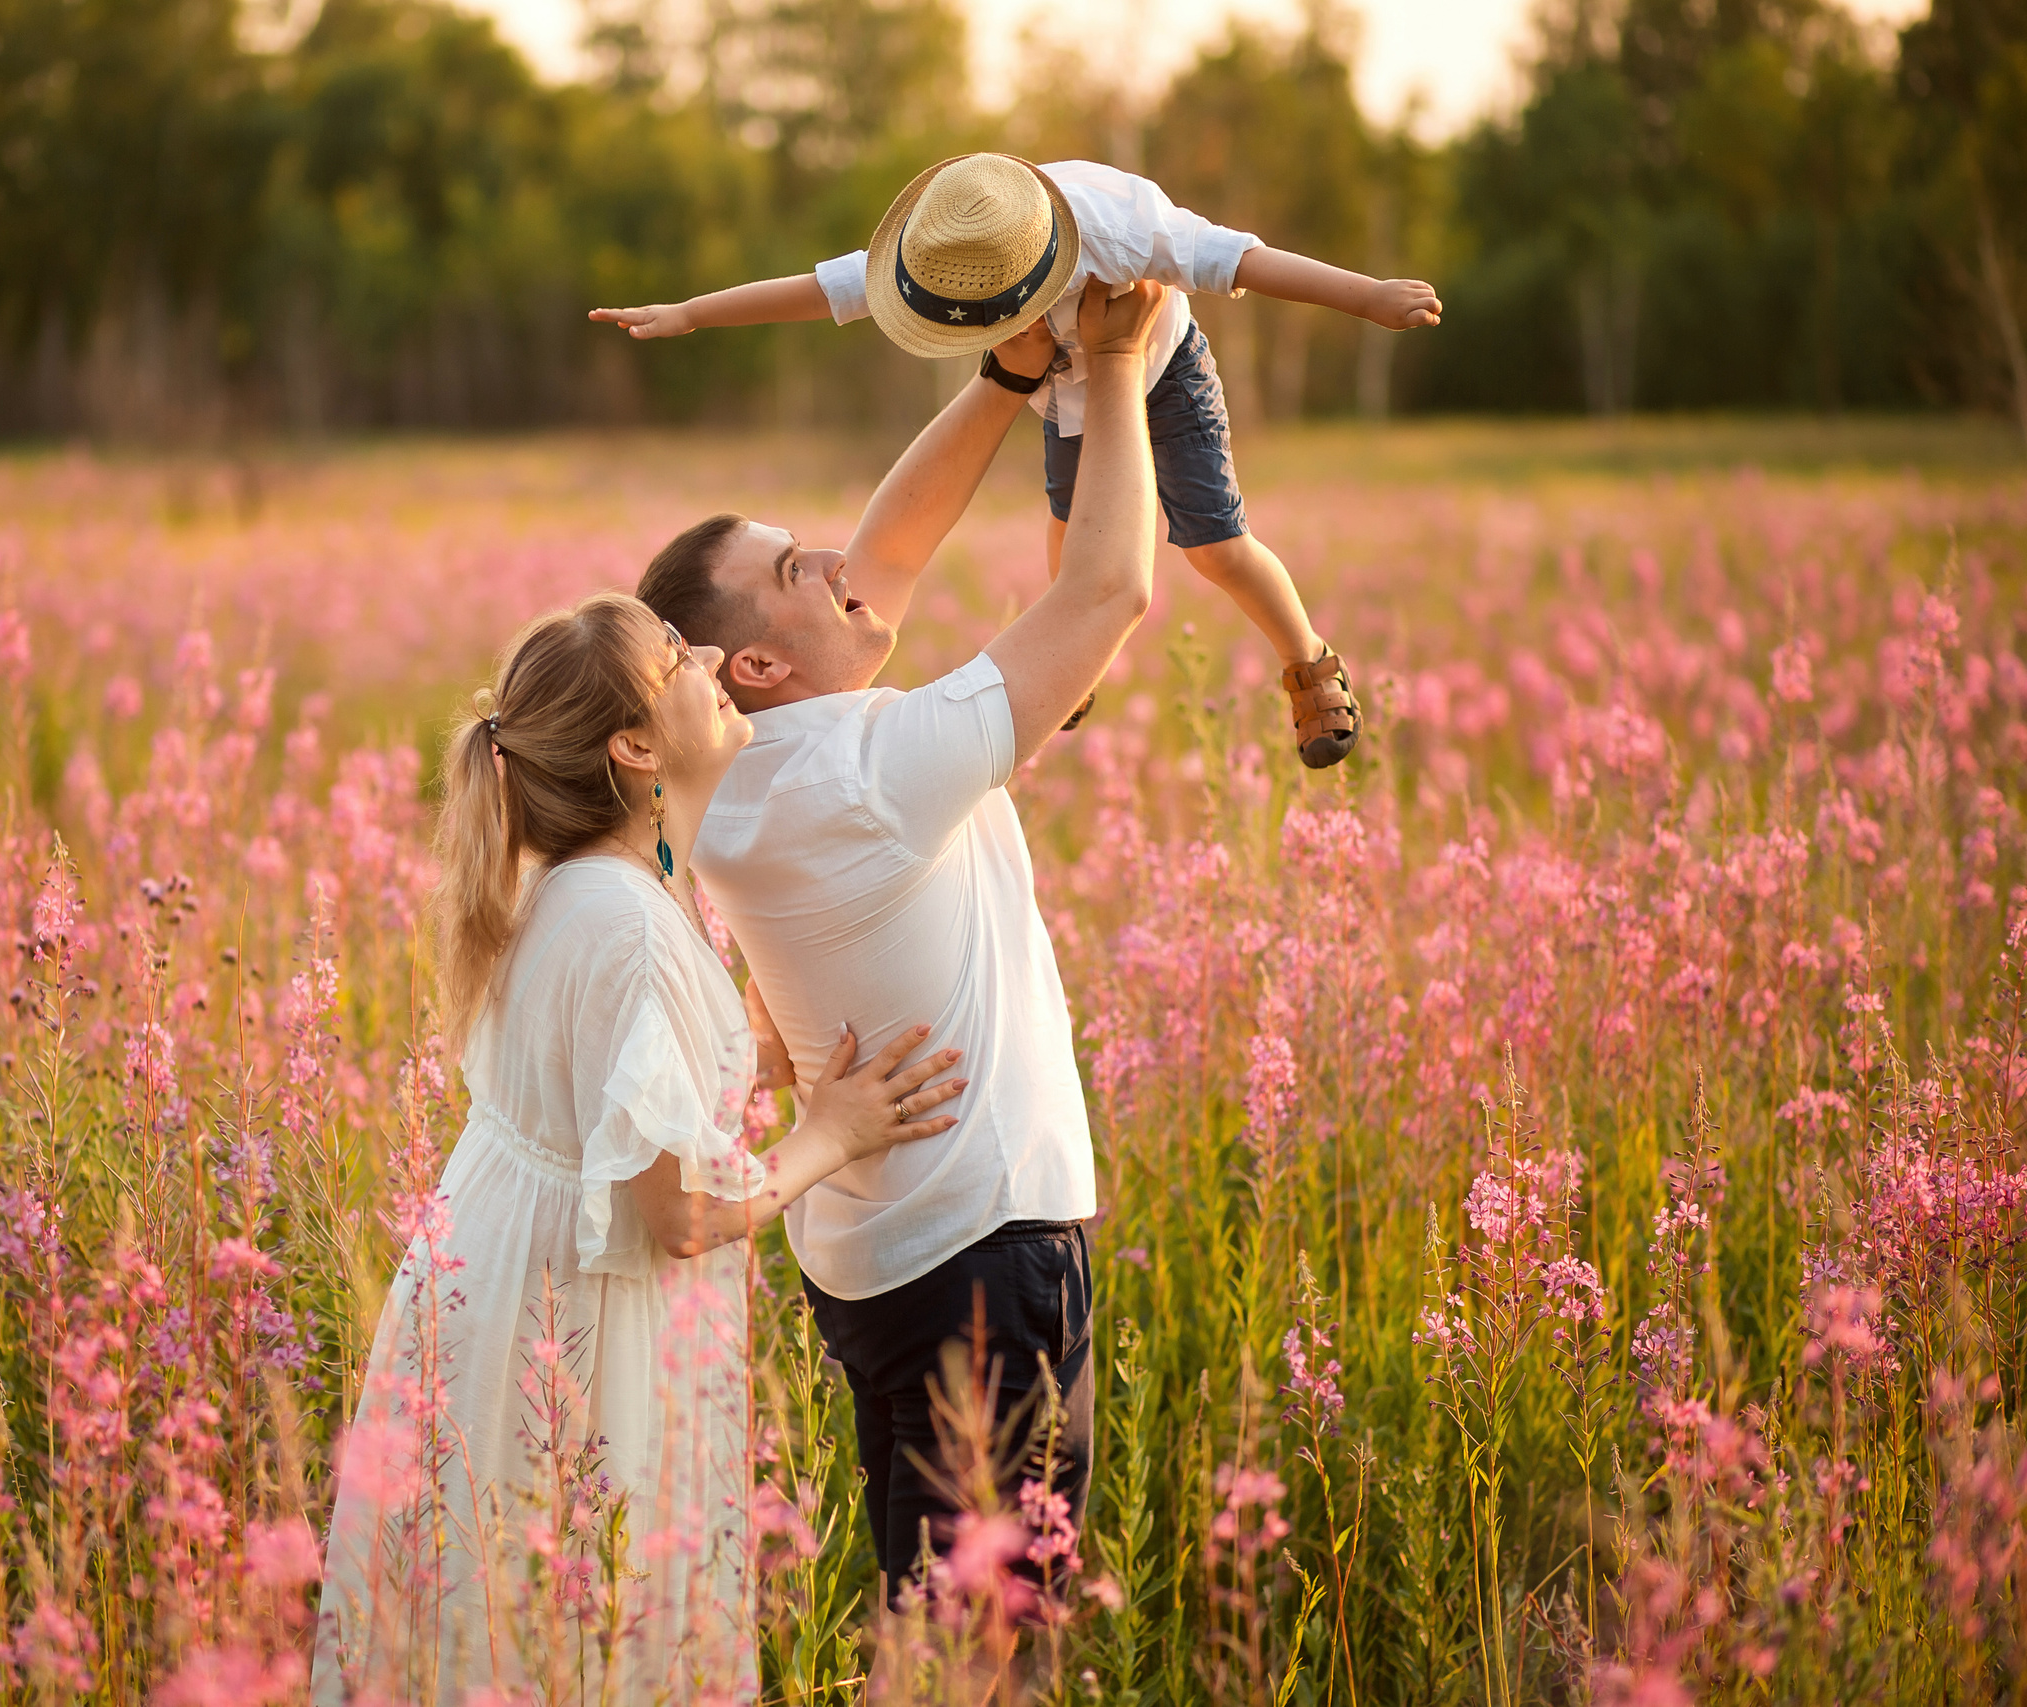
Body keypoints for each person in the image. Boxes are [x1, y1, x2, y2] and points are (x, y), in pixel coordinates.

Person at [310, 592, 968, 1706]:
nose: (709, 652)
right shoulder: (626, 922)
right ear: (635, 746)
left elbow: (604, 1091)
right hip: (575, 1323)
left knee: (499, 1631)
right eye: (676, 656)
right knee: (582, 1631)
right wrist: (829, 1135)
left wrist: (738, 1049)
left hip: (505, 1295)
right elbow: (681, 1215)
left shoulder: (580, 885)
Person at [632, 278, 1166, 1602]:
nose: (840, 563)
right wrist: (1110, 364)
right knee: (989, 1634)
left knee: (924, 1612)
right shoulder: (866, 776)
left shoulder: (740, 779)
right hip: (984, 1247)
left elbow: (887, 555)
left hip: (878, 1257)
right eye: (795, 571)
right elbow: (1109, 591)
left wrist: (1004, 377)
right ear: (759, 666)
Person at [597, 151, 1440, 765]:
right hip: (1067, 392)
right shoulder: (934, 255)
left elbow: (1242, 259)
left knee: (1216, 546)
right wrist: (691, 313)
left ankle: (1306, 657)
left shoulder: (1115, 228)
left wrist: (1367, 296)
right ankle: (1069, 658)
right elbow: (820, 291)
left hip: (1160, 369)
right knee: (1068, 539)